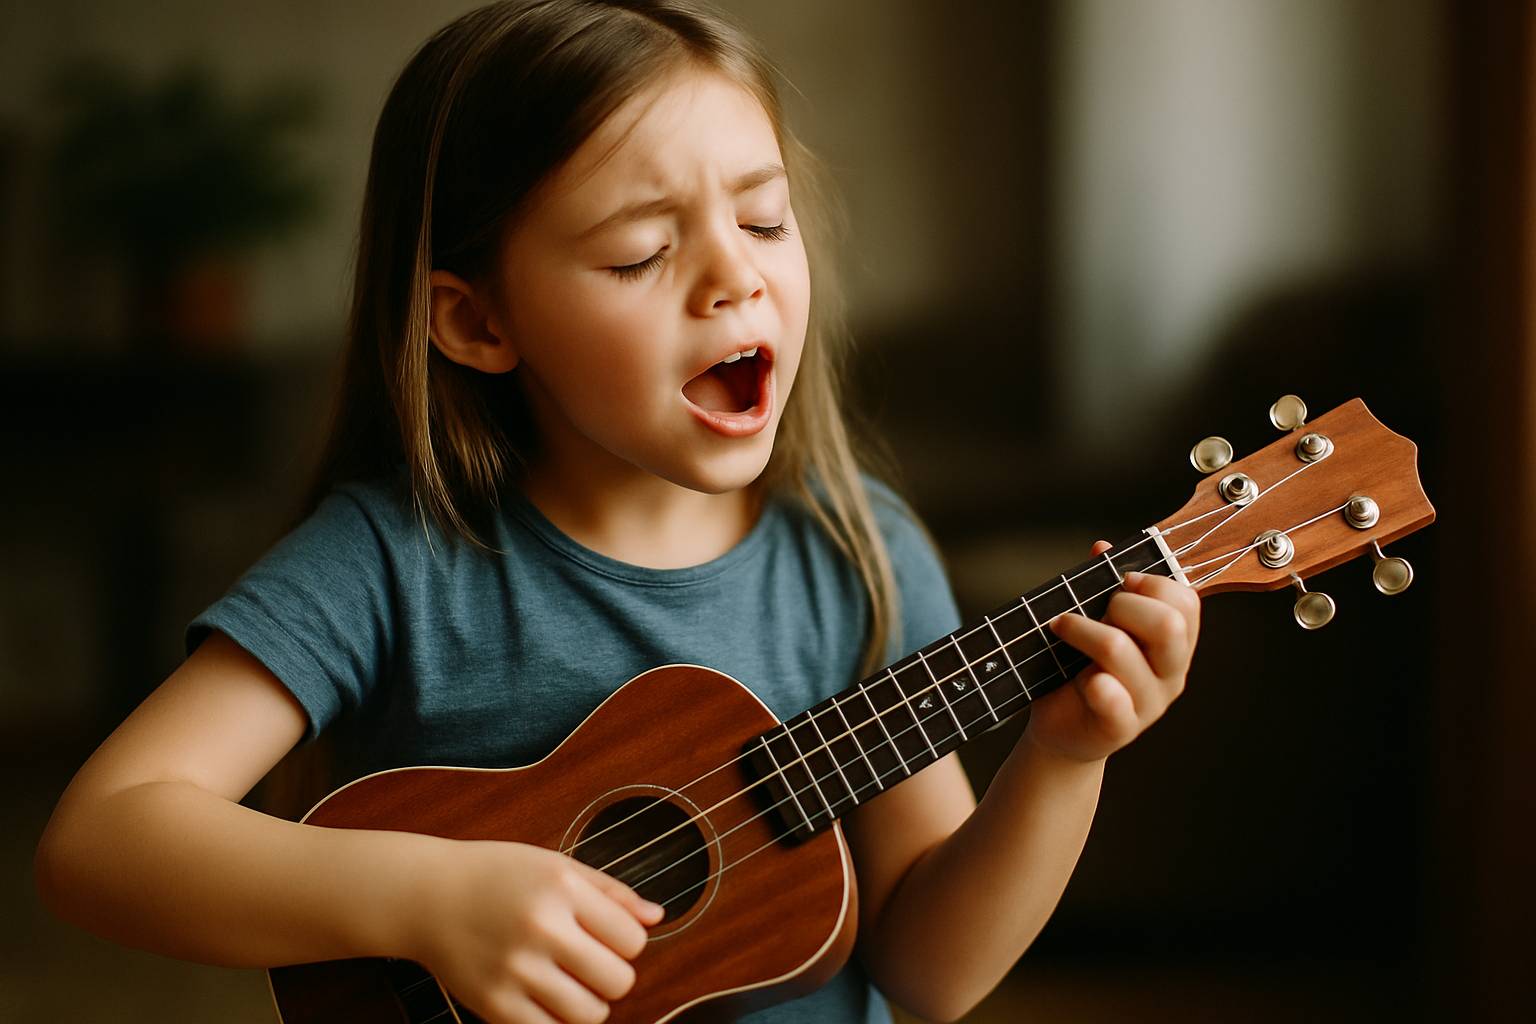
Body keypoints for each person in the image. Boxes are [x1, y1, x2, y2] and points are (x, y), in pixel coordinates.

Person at [33, 2, 1201, 1022]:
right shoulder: (393, 560)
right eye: (641, 253)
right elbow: (103, 837)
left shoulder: (858, 549)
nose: (734, 277)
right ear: (480, 324)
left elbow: (933, 972)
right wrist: (433, 899)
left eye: (762, 219)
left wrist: (1063, 759)